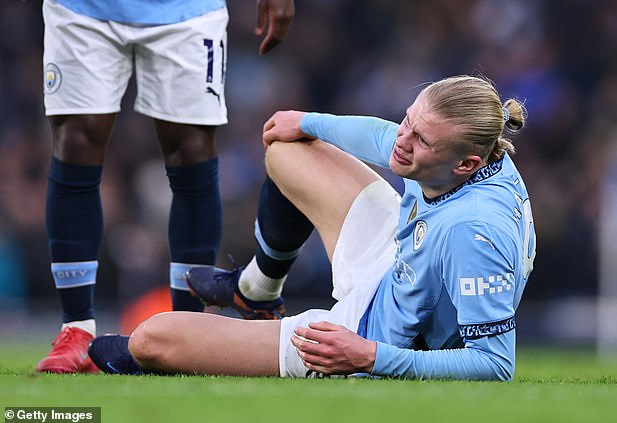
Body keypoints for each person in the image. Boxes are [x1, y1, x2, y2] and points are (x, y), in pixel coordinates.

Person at [88, 75, 537, 380]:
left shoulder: (474, 231)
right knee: (287, 147)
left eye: (420, 139)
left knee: (151, 338)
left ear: (466, 164)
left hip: (370, 335)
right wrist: (306, 121)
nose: (402, 139)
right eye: (408, 120)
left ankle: (267, 315)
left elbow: (493, 364)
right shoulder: (469, 149)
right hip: (396, 265)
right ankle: (256, 291)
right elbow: (385, 139)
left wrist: (370, 357)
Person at [36, 0, 295, 374]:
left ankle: (187, 331)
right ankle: (76, 330)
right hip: (82, 8)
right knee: (76, 141)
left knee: (191, 149)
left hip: (185, 9)